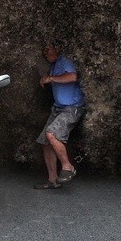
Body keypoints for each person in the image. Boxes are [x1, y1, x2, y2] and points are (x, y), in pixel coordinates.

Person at [34, 42, 85, 189]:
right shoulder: (55, 64)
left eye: (47, 49)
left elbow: (73, 76)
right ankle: (53, 180)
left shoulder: (65, 60)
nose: (45, 52)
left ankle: (68, 167)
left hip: (72, 108)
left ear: (57, 48)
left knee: (52, 135)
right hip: (58, 109)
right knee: (45, 141)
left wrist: (51, 78)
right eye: (43, 50)